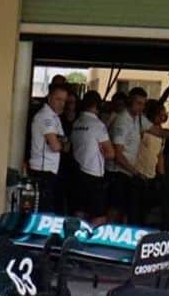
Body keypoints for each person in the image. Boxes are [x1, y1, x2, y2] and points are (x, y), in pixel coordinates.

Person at [70, 90, 114, 223]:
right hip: (94, 174)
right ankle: (91, 242)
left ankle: (76, 239)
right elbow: (111, 153)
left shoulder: (76, 123)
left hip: (77, 172)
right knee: (99, 216)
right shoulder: (98, 125)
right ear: (97, 106)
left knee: (79, 211)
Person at [109, 86, 148, 223]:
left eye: (143, 104)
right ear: (130, 101)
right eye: (138, 103)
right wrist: (136, 173)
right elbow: (118, 154)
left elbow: (155, 130)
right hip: (118, 172)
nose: (141, 107)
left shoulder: (139, 119)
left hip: (129, 172)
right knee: (115, 207)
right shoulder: (122, 120)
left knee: (126, 208)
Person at [27, 83, 68, 212]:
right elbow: (56, 145)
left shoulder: (55, 117)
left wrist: (60, 142)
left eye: (64, 100)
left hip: (50, 170)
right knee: (42, 212)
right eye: (58, 99)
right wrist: (60, 142)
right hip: (42, 171)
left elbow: (64, 142)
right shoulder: (46, 116)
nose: (62, 104)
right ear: (49, 98)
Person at [136, 100, 167, 225]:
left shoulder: (162, 134)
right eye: (160, 115)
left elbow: (160, 155)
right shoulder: (143, 130)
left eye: (163, 115)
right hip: (138, 173)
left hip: (151, 176)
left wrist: (162, 176)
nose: (162, 118)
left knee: (145, 210)